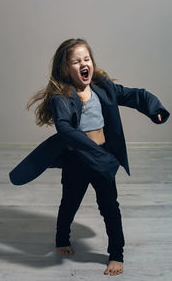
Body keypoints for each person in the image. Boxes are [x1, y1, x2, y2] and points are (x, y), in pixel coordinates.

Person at [9, 38, 170, 276]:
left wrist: (154, 108)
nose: (83, 64)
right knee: (70, 202)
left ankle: (116, 254)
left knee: (110, 206)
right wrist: (93, 153)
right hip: (77, 160)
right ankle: (62, 239)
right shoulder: (61, 97)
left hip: (102, 157)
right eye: (76, 61)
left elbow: (134, 95)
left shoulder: (102, 88)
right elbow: (65, 128)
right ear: (65, 68)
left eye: (86, 59)